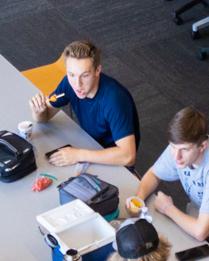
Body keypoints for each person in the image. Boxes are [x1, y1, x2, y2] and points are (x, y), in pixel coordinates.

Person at [129, 109, 209, 261]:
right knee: (146, 252)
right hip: (196, 223)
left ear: (202, 146)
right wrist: (139, 199)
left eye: (184, 150)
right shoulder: (180, 147)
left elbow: (201, 232)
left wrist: (168, 208)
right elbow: (153, 174)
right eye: (172, 147)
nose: (176, 156)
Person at [27, 39, 140, 169]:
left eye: (85, 75)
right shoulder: (69, 84)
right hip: (88, 143)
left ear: (97, 70)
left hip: (113, 159)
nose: (77, 84)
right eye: (71, 75)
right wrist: (38, 112)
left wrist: (79, 155)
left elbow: (128, 156)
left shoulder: (114, 100)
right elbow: (44, 117)